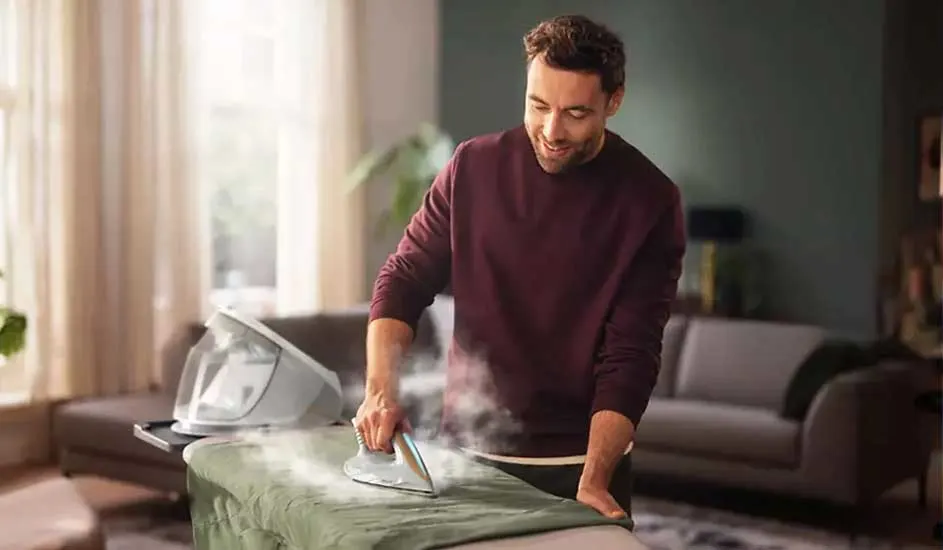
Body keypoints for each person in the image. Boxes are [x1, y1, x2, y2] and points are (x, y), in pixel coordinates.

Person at [354, 14, 685, 521]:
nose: (552, 131)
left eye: (576, 113)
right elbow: (402, 280)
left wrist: (594, 477)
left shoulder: (650, 201)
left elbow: (631, 354)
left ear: (613, 102)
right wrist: (380, 392)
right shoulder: (471, 167)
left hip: (580, 464)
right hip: (467, 454)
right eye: (538, 105)